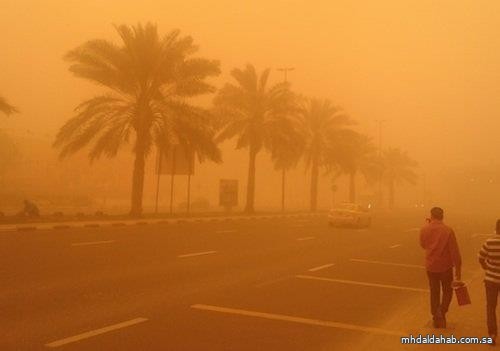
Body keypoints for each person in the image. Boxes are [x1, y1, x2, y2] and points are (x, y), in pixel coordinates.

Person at [420, 207, 462, 328]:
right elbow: (455, 252)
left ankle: (435, 316)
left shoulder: (424, 229)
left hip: (431, 266)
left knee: (434, 292)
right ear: (442, 216)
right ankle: (442, 312)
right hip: (445, 267)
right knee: (448, 291)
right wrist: (458, 272)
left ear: (431, 216)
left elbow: (423, 245)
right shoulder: (448, 230)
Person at [478, 219, 500, 345]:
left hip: (491, 280)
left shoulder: (489, 242)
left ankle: (492, 334)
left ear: (496, 228)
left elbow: (481, 257)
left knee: (491, 307)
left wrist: (487, 268)